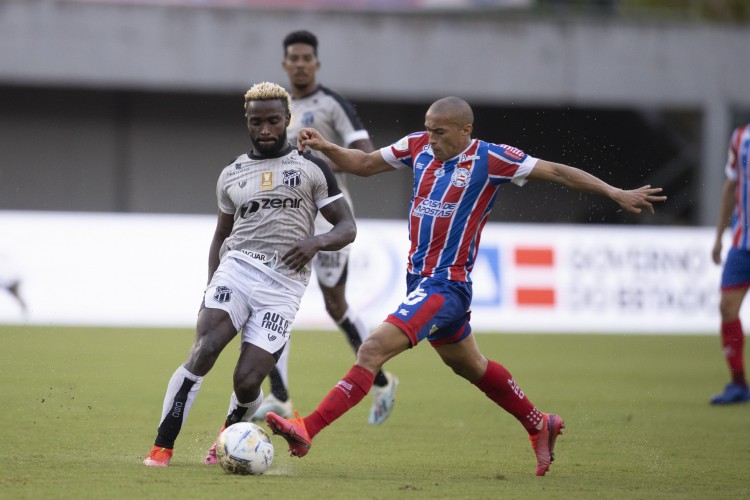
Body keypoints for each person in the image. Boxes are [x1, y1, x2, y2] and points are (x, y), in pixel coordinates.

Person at [265, 96, 666, 476]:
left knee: (372, 349)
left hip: (447, 285)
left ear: (465, 130)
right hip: (419, 283)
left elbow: (557, 171)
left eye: (440, 132)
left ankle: (306, 430)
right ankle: (540, 423)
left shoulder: (491, 158)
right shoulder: (419, 145)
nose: (432, 138)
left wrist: (613, 191)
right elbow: (366, 163)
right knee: (469, 365)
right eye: (428, 129)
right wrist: (325, 147)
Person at [143, 81, 356, 467]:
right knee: (204, 351)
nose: (265, 130)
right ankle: (162, 447)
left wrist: (315, 243)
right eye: (257, 122)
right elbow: (221, 235)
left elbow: (347, 228)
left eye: (274, 121)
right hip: (237, 270)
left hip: (285, 286)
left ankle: (226, 437)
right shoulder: (232, 173)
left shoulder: (312, 167)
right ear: (248, 122)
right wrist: (210, 286)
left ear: (287, 120)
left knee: (247, 381)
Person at [250, 30, 398, 425]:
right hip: (285, 217)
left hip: (329, 216)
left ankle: (382, 382)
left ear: (315, 63)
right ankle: (279, 397)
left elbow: (367, 154)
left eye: (306, 58)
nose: (299, 64)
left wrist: (320, 158)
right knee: (274, 302)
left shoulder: (332, 105)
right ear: (284, 64)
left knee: (335, 304)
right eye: (293, 58)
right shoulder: (275, 106)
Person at [709, 122, 750, 405]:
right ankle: (738, 384)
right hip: (742, 242)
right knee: (727, 308)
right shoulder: (740, 136)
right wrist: (719, 237)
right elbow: (730, 186)